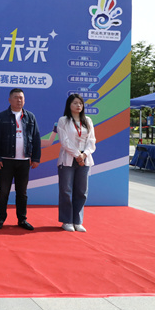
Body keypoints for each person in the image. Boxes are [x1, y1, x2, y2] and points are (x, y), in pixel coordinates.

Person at [0, 88, 41, 230]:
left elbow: (36, 138)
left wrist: (36, 158)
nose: (19, 100)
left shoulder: (30, 117)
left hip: (24, 161)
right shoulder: (1, 117)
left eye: (21, 98)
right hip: (6, 160)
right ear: (9, 100)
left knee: (22, 192)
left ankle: (22, 219)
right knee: (3, 191)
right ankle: (0, 218)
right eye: (16, 97)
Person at [57, 94, 96, 232]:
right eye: (75, 103)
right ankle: (67, 221)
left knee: (82, 191)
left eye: (80, 103)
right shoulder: (63, 120)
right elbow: (64, 141)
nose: (78, 105)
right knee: (66, 190)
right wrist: (77, 155)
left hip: (84, 160)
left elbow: (92, 140)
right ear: (69, 105)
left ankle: (77, 221)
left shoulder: (88, 120)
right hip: (68, 158)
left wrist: (84, 155)